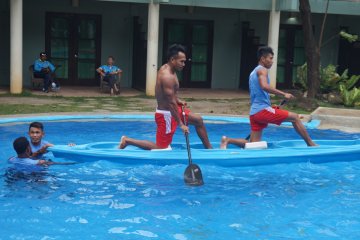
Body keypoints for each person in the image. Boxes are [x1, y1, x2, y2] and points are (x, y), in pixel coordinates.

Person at [119, 44, 212, 150]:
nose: (184, 64)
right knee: (161, 147)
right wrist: (181, 125)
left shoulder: (171, 70)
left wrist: (177, 100)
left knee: (198, 120)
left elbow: (169, 96)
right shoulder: (167, 76)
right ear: (173, 59)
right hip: (166, 115)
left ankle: (209, 149)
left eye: (184, 61)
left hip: (173, 110)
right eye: (181, 61)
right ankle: (127, 140)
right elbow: (171, 103)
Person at [220, 46, 316, 149]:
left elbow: (260, 93)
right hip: (261, 111)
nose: (272, 61)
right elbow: (264, 86)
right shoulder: (262, 70)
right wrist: (284, 94)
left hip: (254, 113)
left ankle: (228, 140)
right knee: (295, 117)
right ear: (262, 59)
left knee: (253, 145)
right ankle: (311, 144)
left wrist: (270, 107)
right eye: (270, 58)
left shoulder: (253, 72)